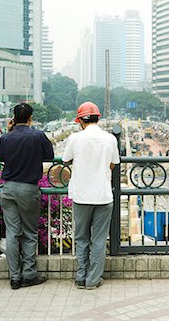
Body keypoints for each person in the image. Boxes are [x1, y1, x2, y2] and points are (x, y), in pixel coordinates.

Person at [62, 101, 120, 290]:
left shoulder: (75, 138)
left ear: (80, 120)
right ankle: (93, 280)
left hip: (81, 196)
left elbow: (66, 159)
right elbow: (113, 164)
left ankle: (80, 276)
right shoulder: (110, 139)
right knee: (99, 239)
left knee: (81, 238)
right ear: (98, 118)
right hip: (103, 196)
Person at [0, 103, 54, 290]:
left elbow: (1, 156)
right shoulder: (37, 135)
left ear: (14, 117)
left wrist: (9, 130)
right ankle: (29, 274)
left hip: (8, 189)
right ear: (31, 118)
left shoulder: (6, 137)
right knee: (29, 232)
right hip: (28, 189)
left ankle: (15, 277)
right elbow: (49, 155)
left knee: (12, 233)